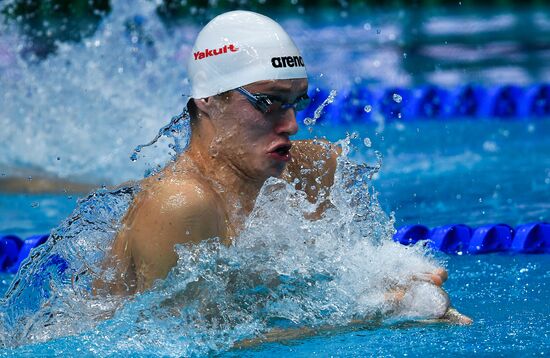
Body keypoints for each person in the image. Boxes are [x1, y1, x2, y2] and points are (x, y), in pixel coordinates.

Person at [96, 10, 470, 326]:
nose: (291, 124)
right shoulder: (180, 204)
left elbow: (331, 276)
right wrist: (378, 312)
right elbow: (188, 344)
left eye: (295, 102)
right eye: (268, 102)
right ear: (208, 100)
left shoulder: (312, 169)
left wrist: (390, 275)